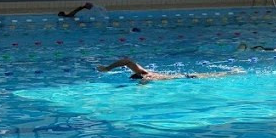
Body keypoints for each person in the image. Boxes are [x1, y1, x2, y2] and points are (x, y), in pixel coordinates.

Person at [97, 58, 233, 82]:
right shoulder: (145, 73)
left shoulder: (146, 77)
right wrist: (107, 68)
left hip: (186, 79)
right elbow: (127, 61)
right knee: (211, 75)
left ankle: (230, 74)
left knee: (210, 76)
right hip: (184, 77)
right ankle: (230, 73)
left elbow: (143, 86)